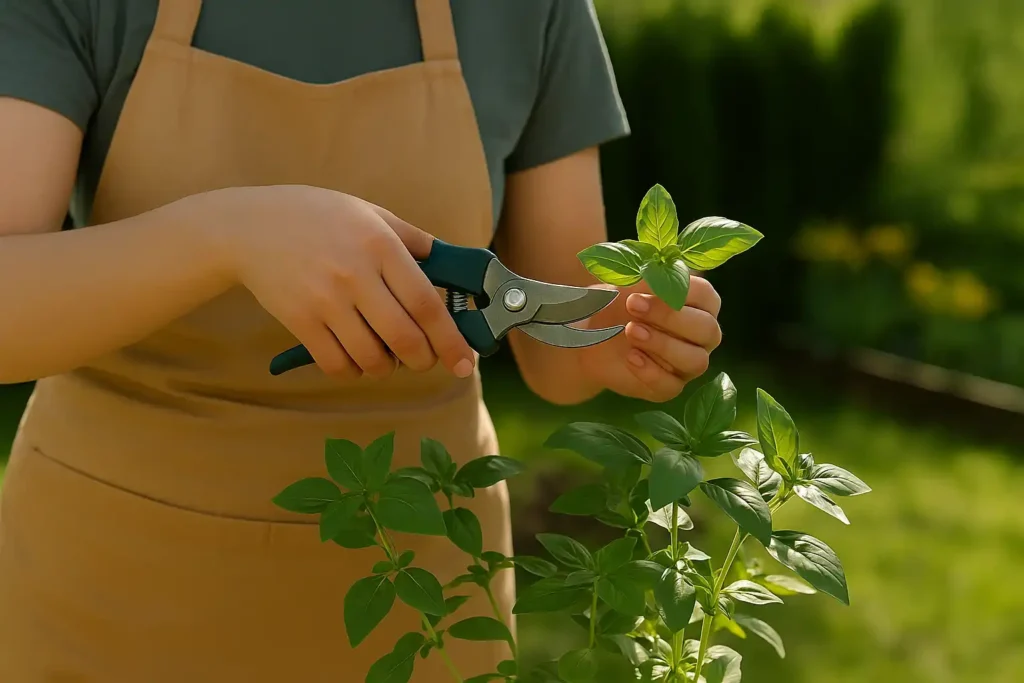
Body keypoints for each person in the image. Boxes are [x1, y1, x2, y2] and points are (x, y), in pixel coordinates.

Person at [0, 0, 723, 680]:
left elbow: (556, 341)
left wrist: (630, 330)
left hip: (425, 612)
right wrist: (225, 236)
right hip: (101, 604)